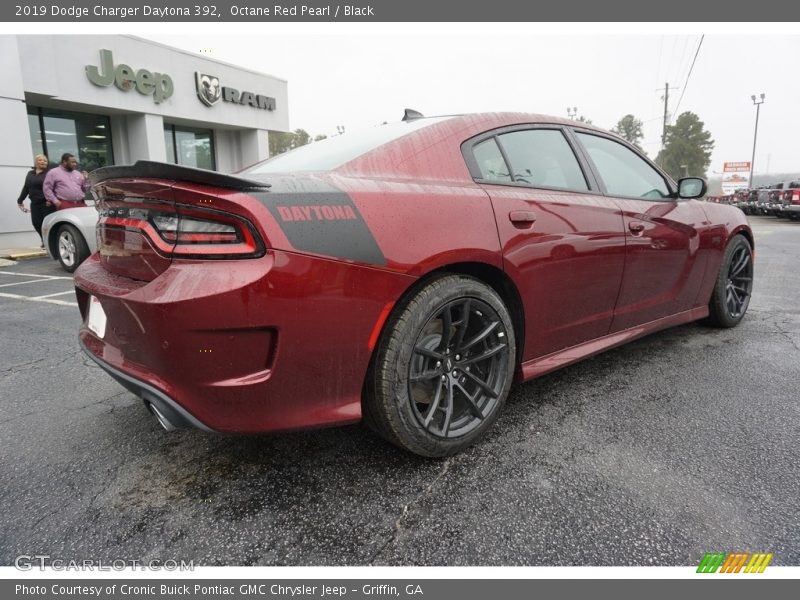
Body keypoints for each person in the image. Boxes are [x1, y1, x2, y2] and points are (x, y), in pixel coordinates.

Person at [17, 154, 54, 248]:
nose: (43, 162)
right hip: (35, 203)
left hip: (47, 203)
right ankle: (44, 240)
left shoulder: (49, 173)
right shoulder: (30, 173)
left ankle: (50, 242)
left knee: (47, 224)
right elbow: (26, 187)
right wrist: (20, 200)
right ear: (36, 162)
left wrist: (51, 199)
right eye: (40, 160)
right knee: (36, 223)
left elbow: (54, 187)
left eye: (45, 161)